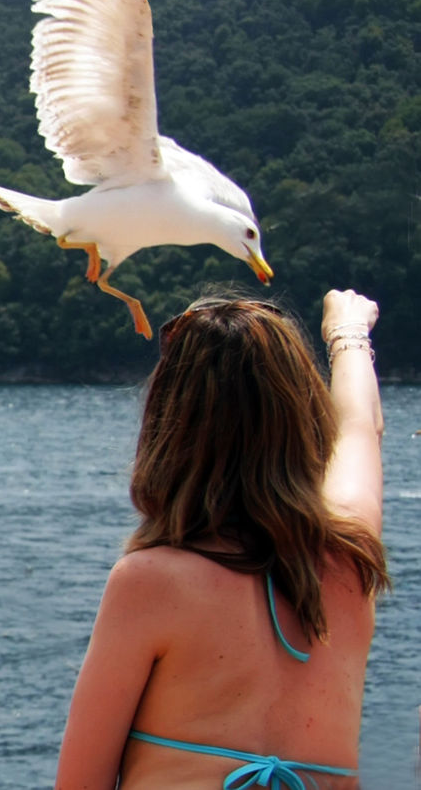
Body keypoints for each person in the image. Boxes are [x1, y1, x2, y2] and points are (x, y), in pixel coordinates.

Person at [54, 288, 389, 790]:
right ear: (303, 416)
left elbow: (81, 783)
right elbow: (360, 427)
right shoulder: (351, 559)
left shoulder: (153, 581)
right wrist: (348, 332)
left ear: (171, 426)